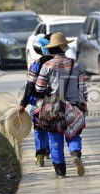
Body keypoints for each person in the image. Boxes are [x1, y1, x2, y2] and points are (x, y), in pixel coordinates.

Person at [35, 32, 88, 178]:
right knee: (74, 134)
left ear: (51, 49)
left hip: (53, 108)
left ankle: (60, 172)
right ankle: (75, 153)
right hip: (73, 106)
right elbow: (83, 87)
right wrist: (83, 104)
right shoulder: (76, 64)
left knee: (55, 139)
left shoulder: (47, 65)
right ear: (64, 47)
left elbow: (39, 88)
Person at [18, 34, 54, 167]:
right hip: (58, 103)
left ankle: (40, 155)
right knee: (54, 129)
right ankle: (51, 152)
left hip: (39, 103)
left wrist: (23, 103)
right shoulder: (65, 62)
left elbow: (30, 86)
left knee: (39, 128)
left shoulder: (37, 64)